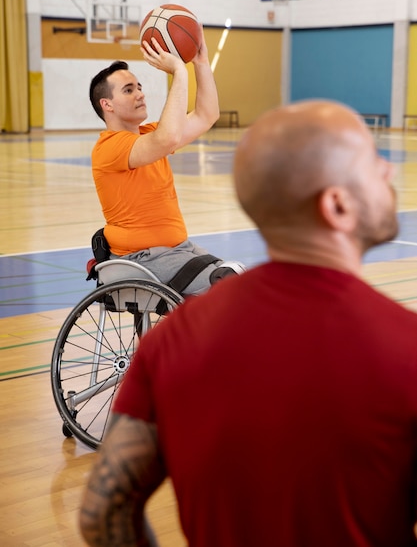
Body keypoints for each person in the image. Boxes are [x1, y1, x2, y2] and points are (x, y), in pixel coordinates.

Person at [79, 100, 417, 547]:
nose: (390, 172)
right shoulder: (405, 348)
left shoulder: (174, 340)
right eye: (374, 164)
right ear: (336, 205)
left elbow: (102, 514)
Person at [88, 29, 243, 295]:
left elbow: (207, 115)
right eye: (128, 90)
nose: (140, 94)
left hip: (177, 252)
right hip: (144, 259)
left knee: (243, 280)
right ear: (107, 104)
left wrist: (201, 62)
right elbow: (168, 138)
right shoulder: (109, 147)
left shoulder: (149, 134)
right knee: (231, 285)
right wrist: (179, 73)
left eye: (139, 87)